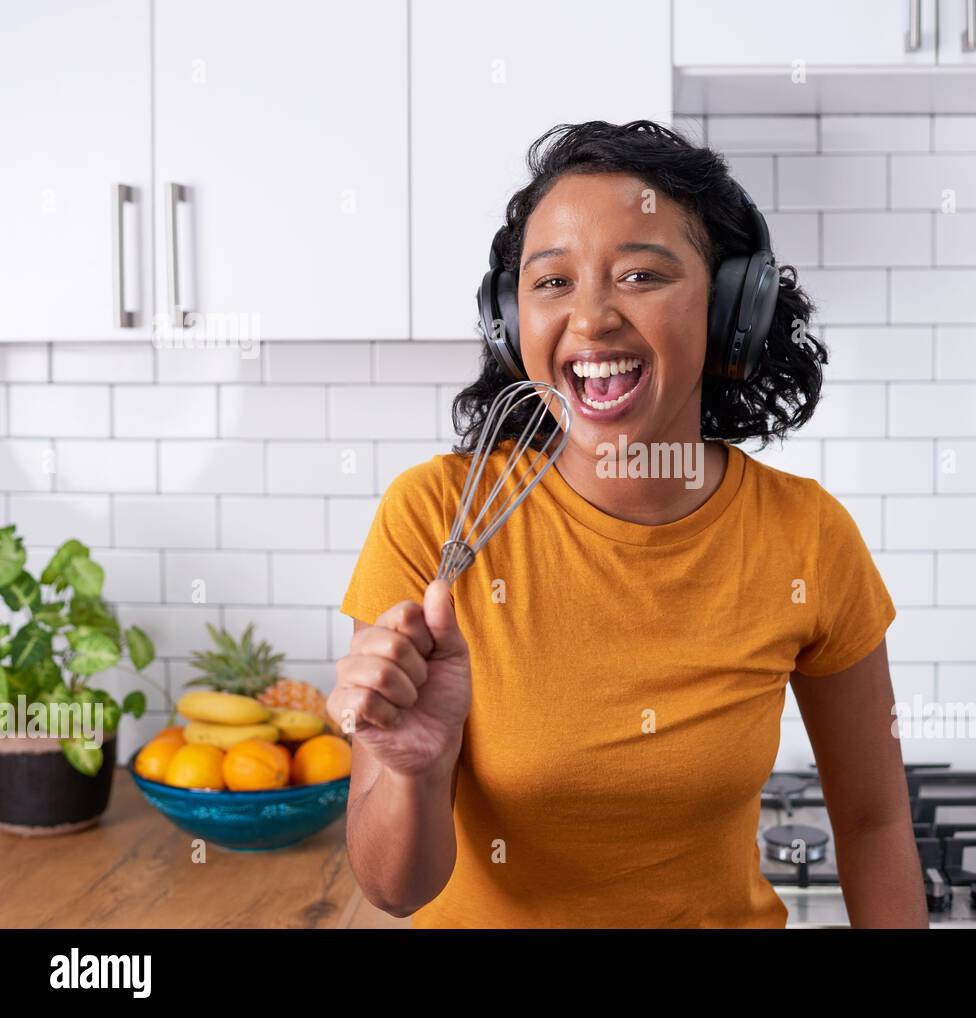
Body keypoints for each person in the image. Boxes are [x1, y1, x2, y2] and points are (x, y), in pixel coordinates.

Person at [329, 120, 926, 928]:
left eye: (641, 274)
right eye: (552, 283)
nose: (592, 317)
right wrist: (412, 772)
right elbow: (395, 890)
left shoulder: (807, 537)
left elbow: (874, 822)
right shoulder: (435, 518)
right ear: (512, 324)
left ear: (728, 310)